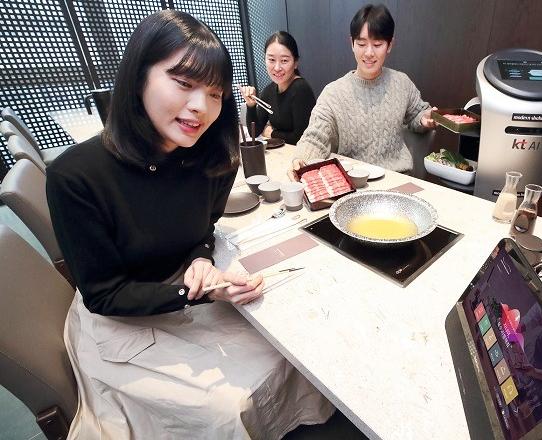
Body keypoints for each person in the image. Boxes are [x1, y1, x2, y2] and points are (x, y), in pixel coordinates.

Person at [46, 10, 333, 439]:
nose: (201, 107)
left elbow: (203, 229)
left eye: (215, 93)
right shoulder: (75, 176)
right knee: (229, 404)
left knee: (294, 346)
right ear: (138, 77)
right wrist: (195, 291)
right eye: (183, 83)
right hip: (122, 317)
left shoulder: (211, 157)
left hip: (184, 292)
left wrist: (201, 259)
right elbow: (104, 293)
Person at [291, 3, 436, 176]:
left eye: (377, 44)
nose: (368, 53)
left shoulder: (401, 83)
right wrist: (302, 159)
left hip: (398, 179)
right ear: (352, 43)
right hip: (353, 180)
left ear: (390, 45)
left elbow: (418, 113)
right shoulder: (334, 93)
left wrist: (425, 119)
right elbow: (315, 137)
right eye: (361, 44)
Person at [239, 31, 316, 145]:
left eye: (284, 61)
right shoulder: (269, 91)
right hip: (283, 152)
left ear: (295, 63)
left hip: (301, 153)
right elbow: (254, 132)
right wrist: (251, 105)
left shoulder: (300, 89)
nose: (277, 68)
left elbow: (301, 137)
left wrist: (271, 133)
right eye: (271, 60)